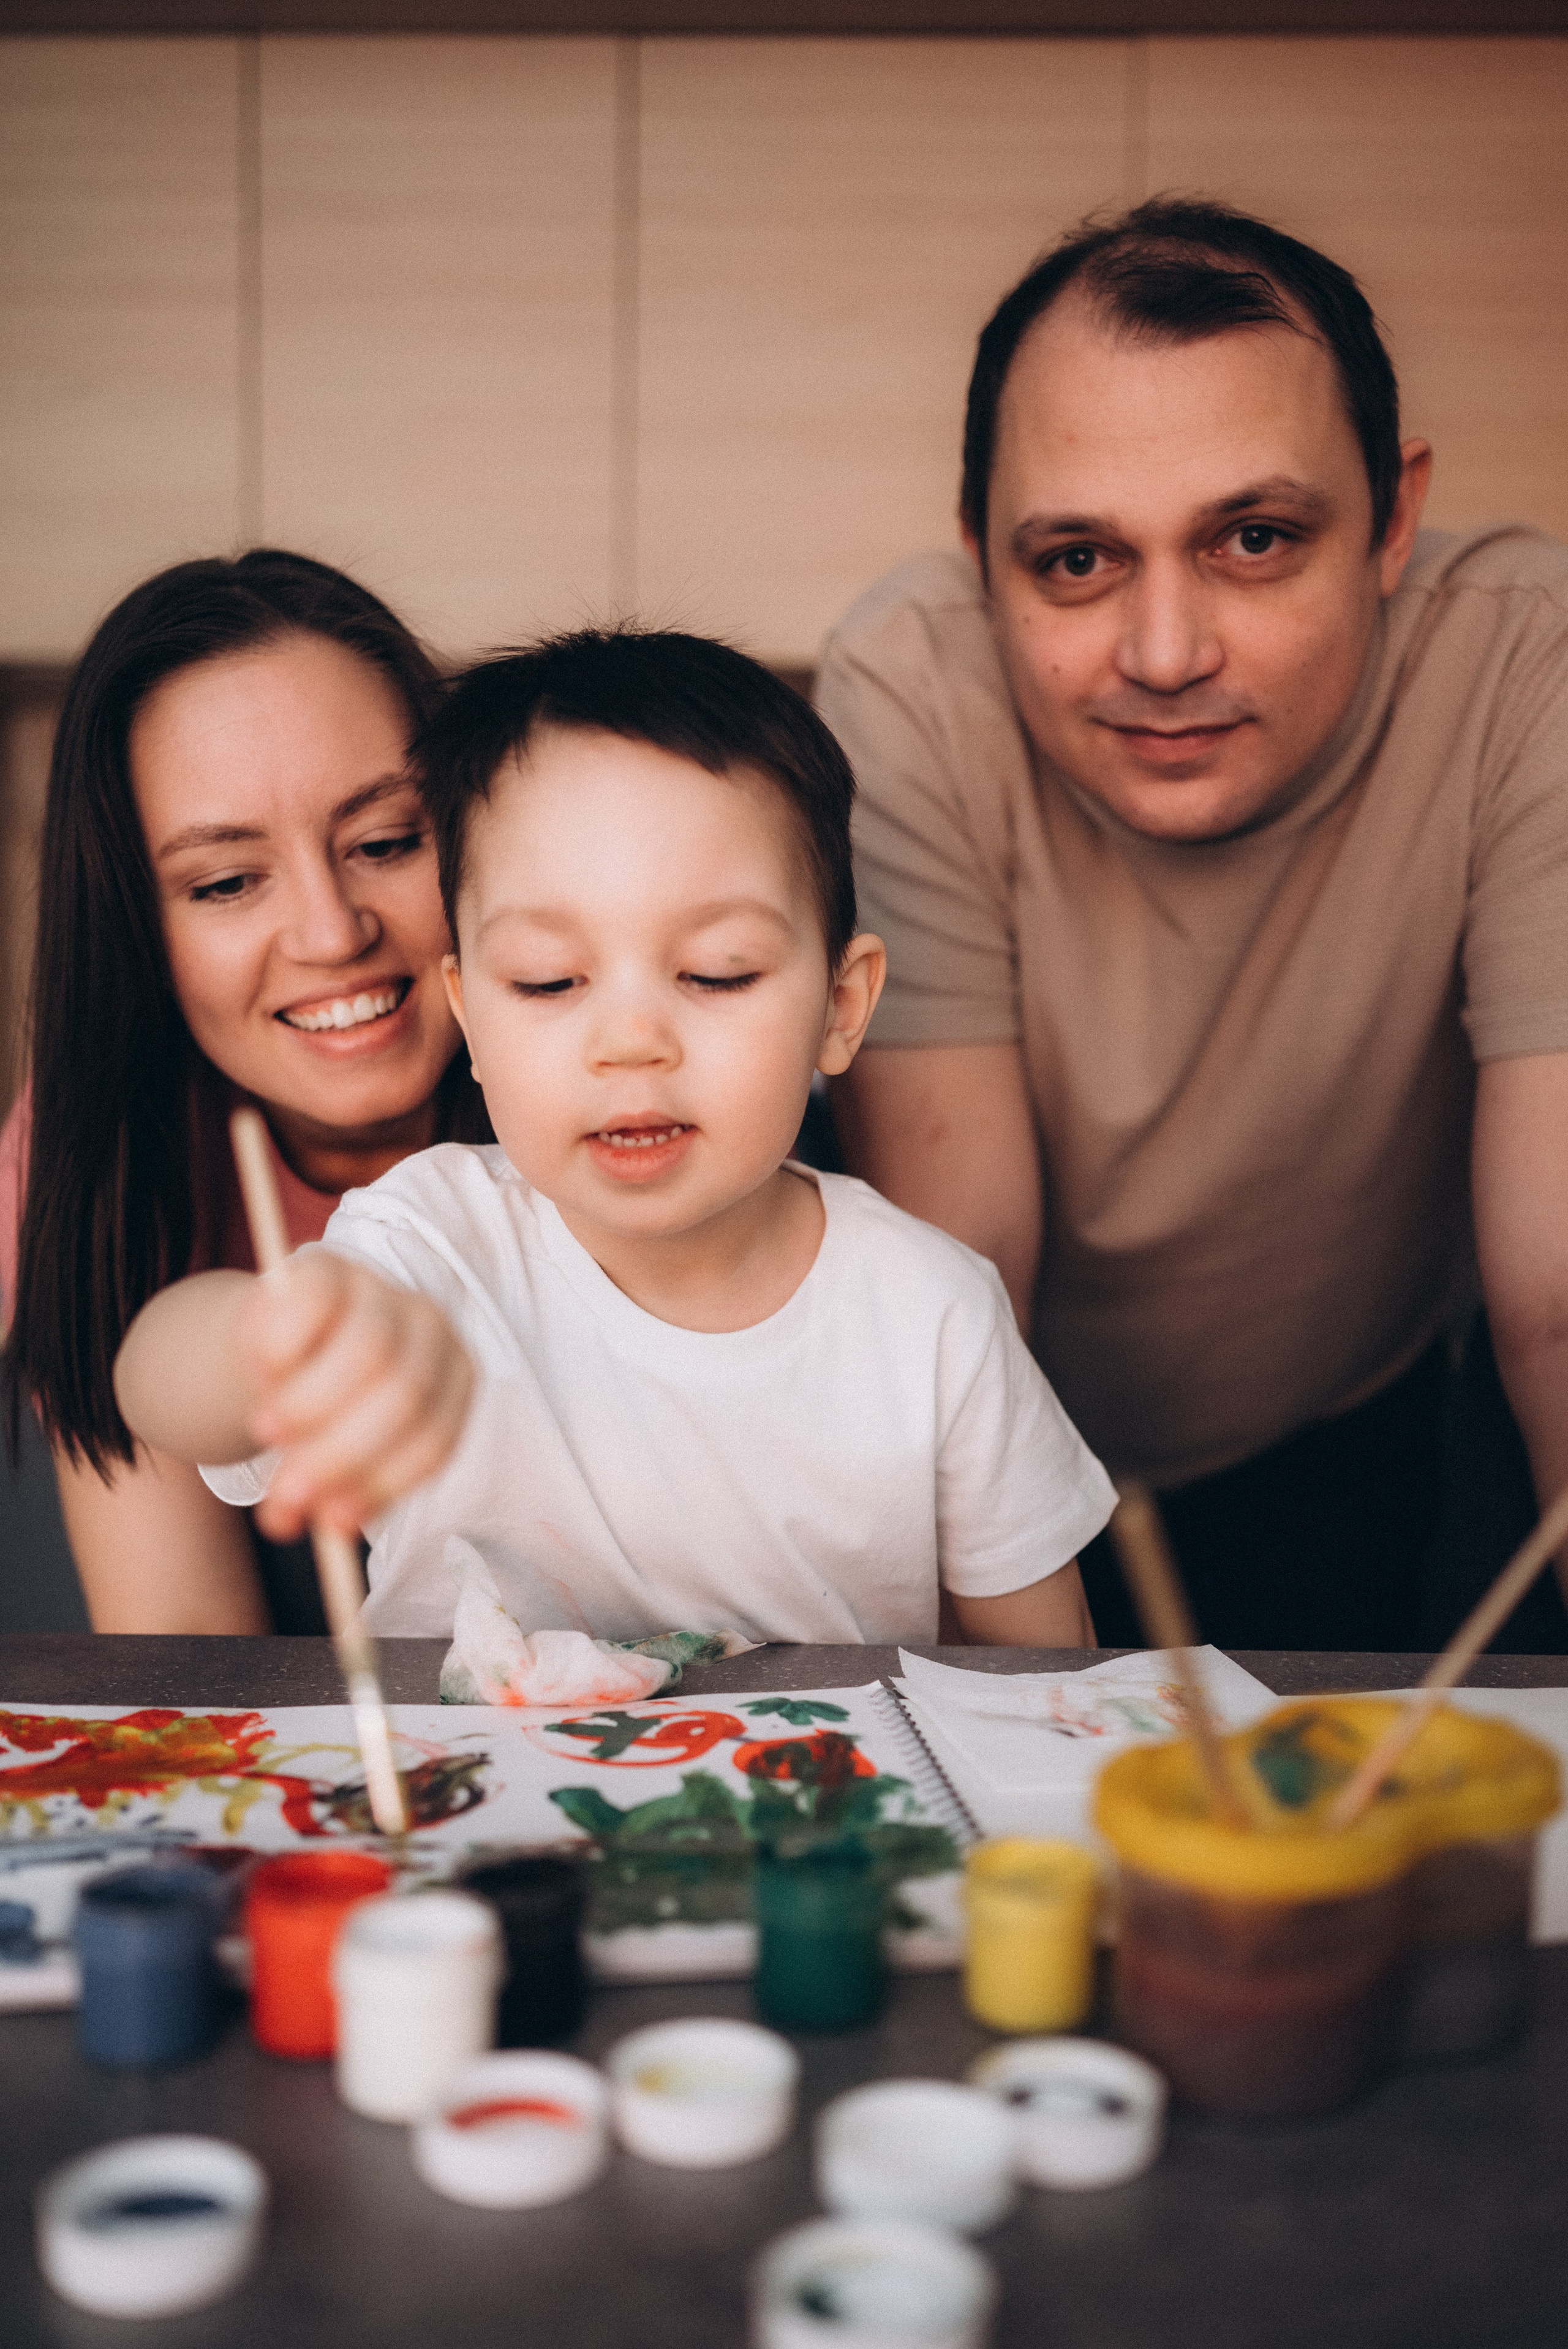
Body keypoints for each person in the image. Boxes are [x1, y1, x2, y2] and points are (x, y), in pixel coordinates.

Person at [818, 196, 1568, 1654]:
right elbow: (958, 1276)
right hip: (997, 1448)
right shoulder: (911, 680)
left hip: (1346, 1426)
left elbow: (1556, 1293)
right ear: (980, 557)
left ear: (1391, 519)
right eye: (1077, 563)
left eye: (1253, 537)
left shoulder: (1523, 655)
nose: (1166, 656)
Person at [111, 627, 1114, 1648]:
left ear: (841, 1008)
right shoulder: (427, 1248)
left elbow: (1048, 1687)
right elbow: (161, 1385)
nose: (630, 1042)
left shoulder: (932, 1314)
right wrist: (273, 1339)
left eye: (717, 972)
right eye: (549, 981)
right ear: (471, 1016)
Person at [1, 550, 489, 1634]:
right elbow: (189, 1653)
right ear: (136, 927)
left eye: (386, 841)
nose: (333, 932)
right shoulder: (97, 1153)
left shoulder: (618, 1089)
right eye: (225, 881)